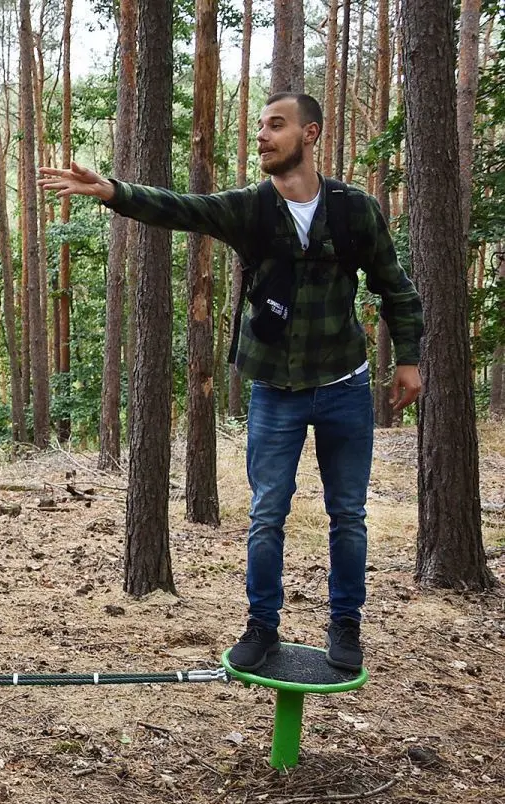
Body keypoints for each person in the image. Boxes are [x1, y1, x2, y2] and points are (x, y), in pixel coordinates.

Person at [39, 92, 423, 673]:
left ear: (310, 133)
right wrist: (113, 192)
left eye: (276, 125)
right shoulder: (251, 208)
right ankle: (261, 628)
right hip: (274, 389)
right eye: (260, 127)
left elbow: (395, 286)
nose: (263, 136)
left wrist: (410, 361)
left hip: (345, 384)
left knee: (348, 514)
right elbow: (183, 209)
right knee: (268, 513)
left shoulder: (354, 210)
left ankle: (346, 625)